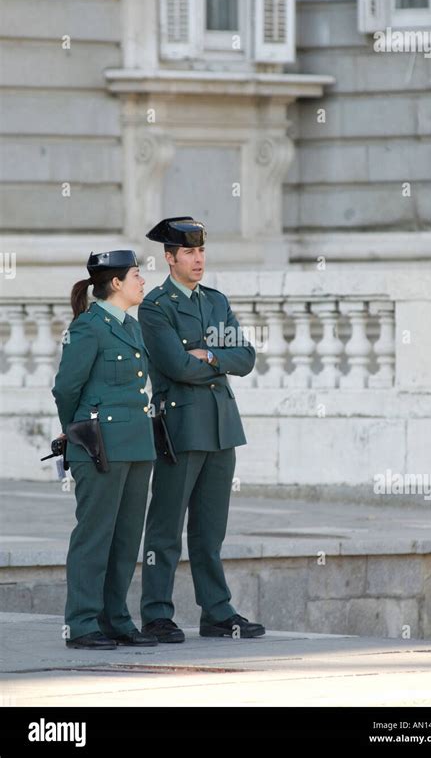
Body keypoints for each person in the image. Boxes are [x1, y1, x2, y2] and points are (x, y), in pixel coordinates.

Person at [139, 217, 265, 641]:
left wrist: (208, 355)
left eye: (201, 251)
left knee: (210, 530)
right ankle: (156, 613)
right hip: (181, 426)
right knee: (166, 526)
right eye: (189, 253)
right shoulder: (155, 307)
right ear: (169, 258)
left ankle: (216, 611)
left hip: (222, 427)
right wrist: (213, 359)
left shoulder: (215, 301)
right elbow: (174, 365)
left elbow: (245, 358)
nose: (198, 259)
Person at [52, 250, 158, 650]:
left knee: (126, 538)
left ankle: (115, 619)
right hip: (99, 447)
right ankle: (81, 624)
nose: (142, 281)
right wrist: (76, 431)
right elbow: (66, 389)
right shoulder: (88, 328)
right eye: (136, 275)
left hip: (136, 446)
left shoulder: (131, 327)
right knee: (95, 536)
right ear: (116, 283)